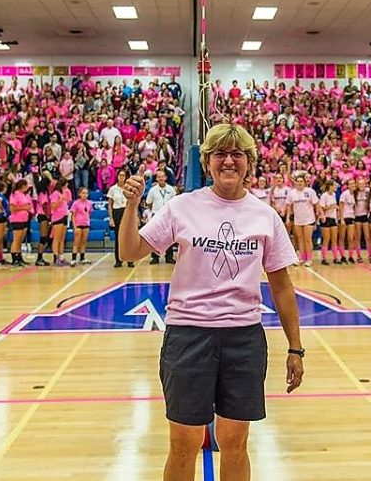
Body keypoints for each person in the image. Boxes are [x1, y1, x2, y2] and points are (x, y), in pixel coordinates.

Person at [118, 123, 303, 481]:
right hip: (188, 336)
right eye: (220, 154)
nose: (228, 161)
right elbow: (129, 251)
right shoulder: (181, 207)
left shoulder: (265, 216)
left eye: (237, 154)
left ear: (249, 162)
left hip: (244, 339)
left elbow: (281, 286)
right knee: (183, 440)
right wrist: (131, 206)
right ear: (207, 162)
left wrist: (296, 348)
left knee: (235, 439)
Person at [145, 170, 177, 264]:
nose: (161, 178)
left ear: (166, 178)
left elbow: (175, 202)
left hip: (168, 215)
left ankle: (169, 256)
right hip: (156, 215)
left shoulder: (171, 189)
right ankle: (155, 257)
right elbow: (149, 203)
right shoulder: (152, 190)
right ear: (156, 178)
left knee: (169, 237)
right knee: (155, 237)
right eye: (159, 177)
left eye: (162, 177)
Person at [107, 169, 134, 268]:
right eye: (120, 175)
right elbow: (110, 205)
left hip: (127, 211)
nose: (122, 177)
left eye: (123, 175)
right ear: (117, 176)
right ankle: (118, 260)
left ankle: (130, 259)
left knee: (129, 237)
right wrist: (111, 218)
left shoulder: (129, 188)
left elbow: (132, 203)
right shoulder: (113, 189)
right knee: (119, 237)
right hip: (117, 212)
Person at [70, 187, 93, 264]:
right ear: (79, 194)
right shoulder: (76, 203)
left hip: (86, 224)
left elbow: (89, 213)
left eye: (86, 193)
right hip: (78, 224)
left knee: (83, 242)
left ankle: (82, 258)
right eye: (83, 193)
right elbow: (73, 215)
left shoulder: (89, 203)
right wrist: (75, 227)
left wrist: (87, 221)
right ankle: (73, 259)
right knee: (76, 242)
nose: (85, 195)